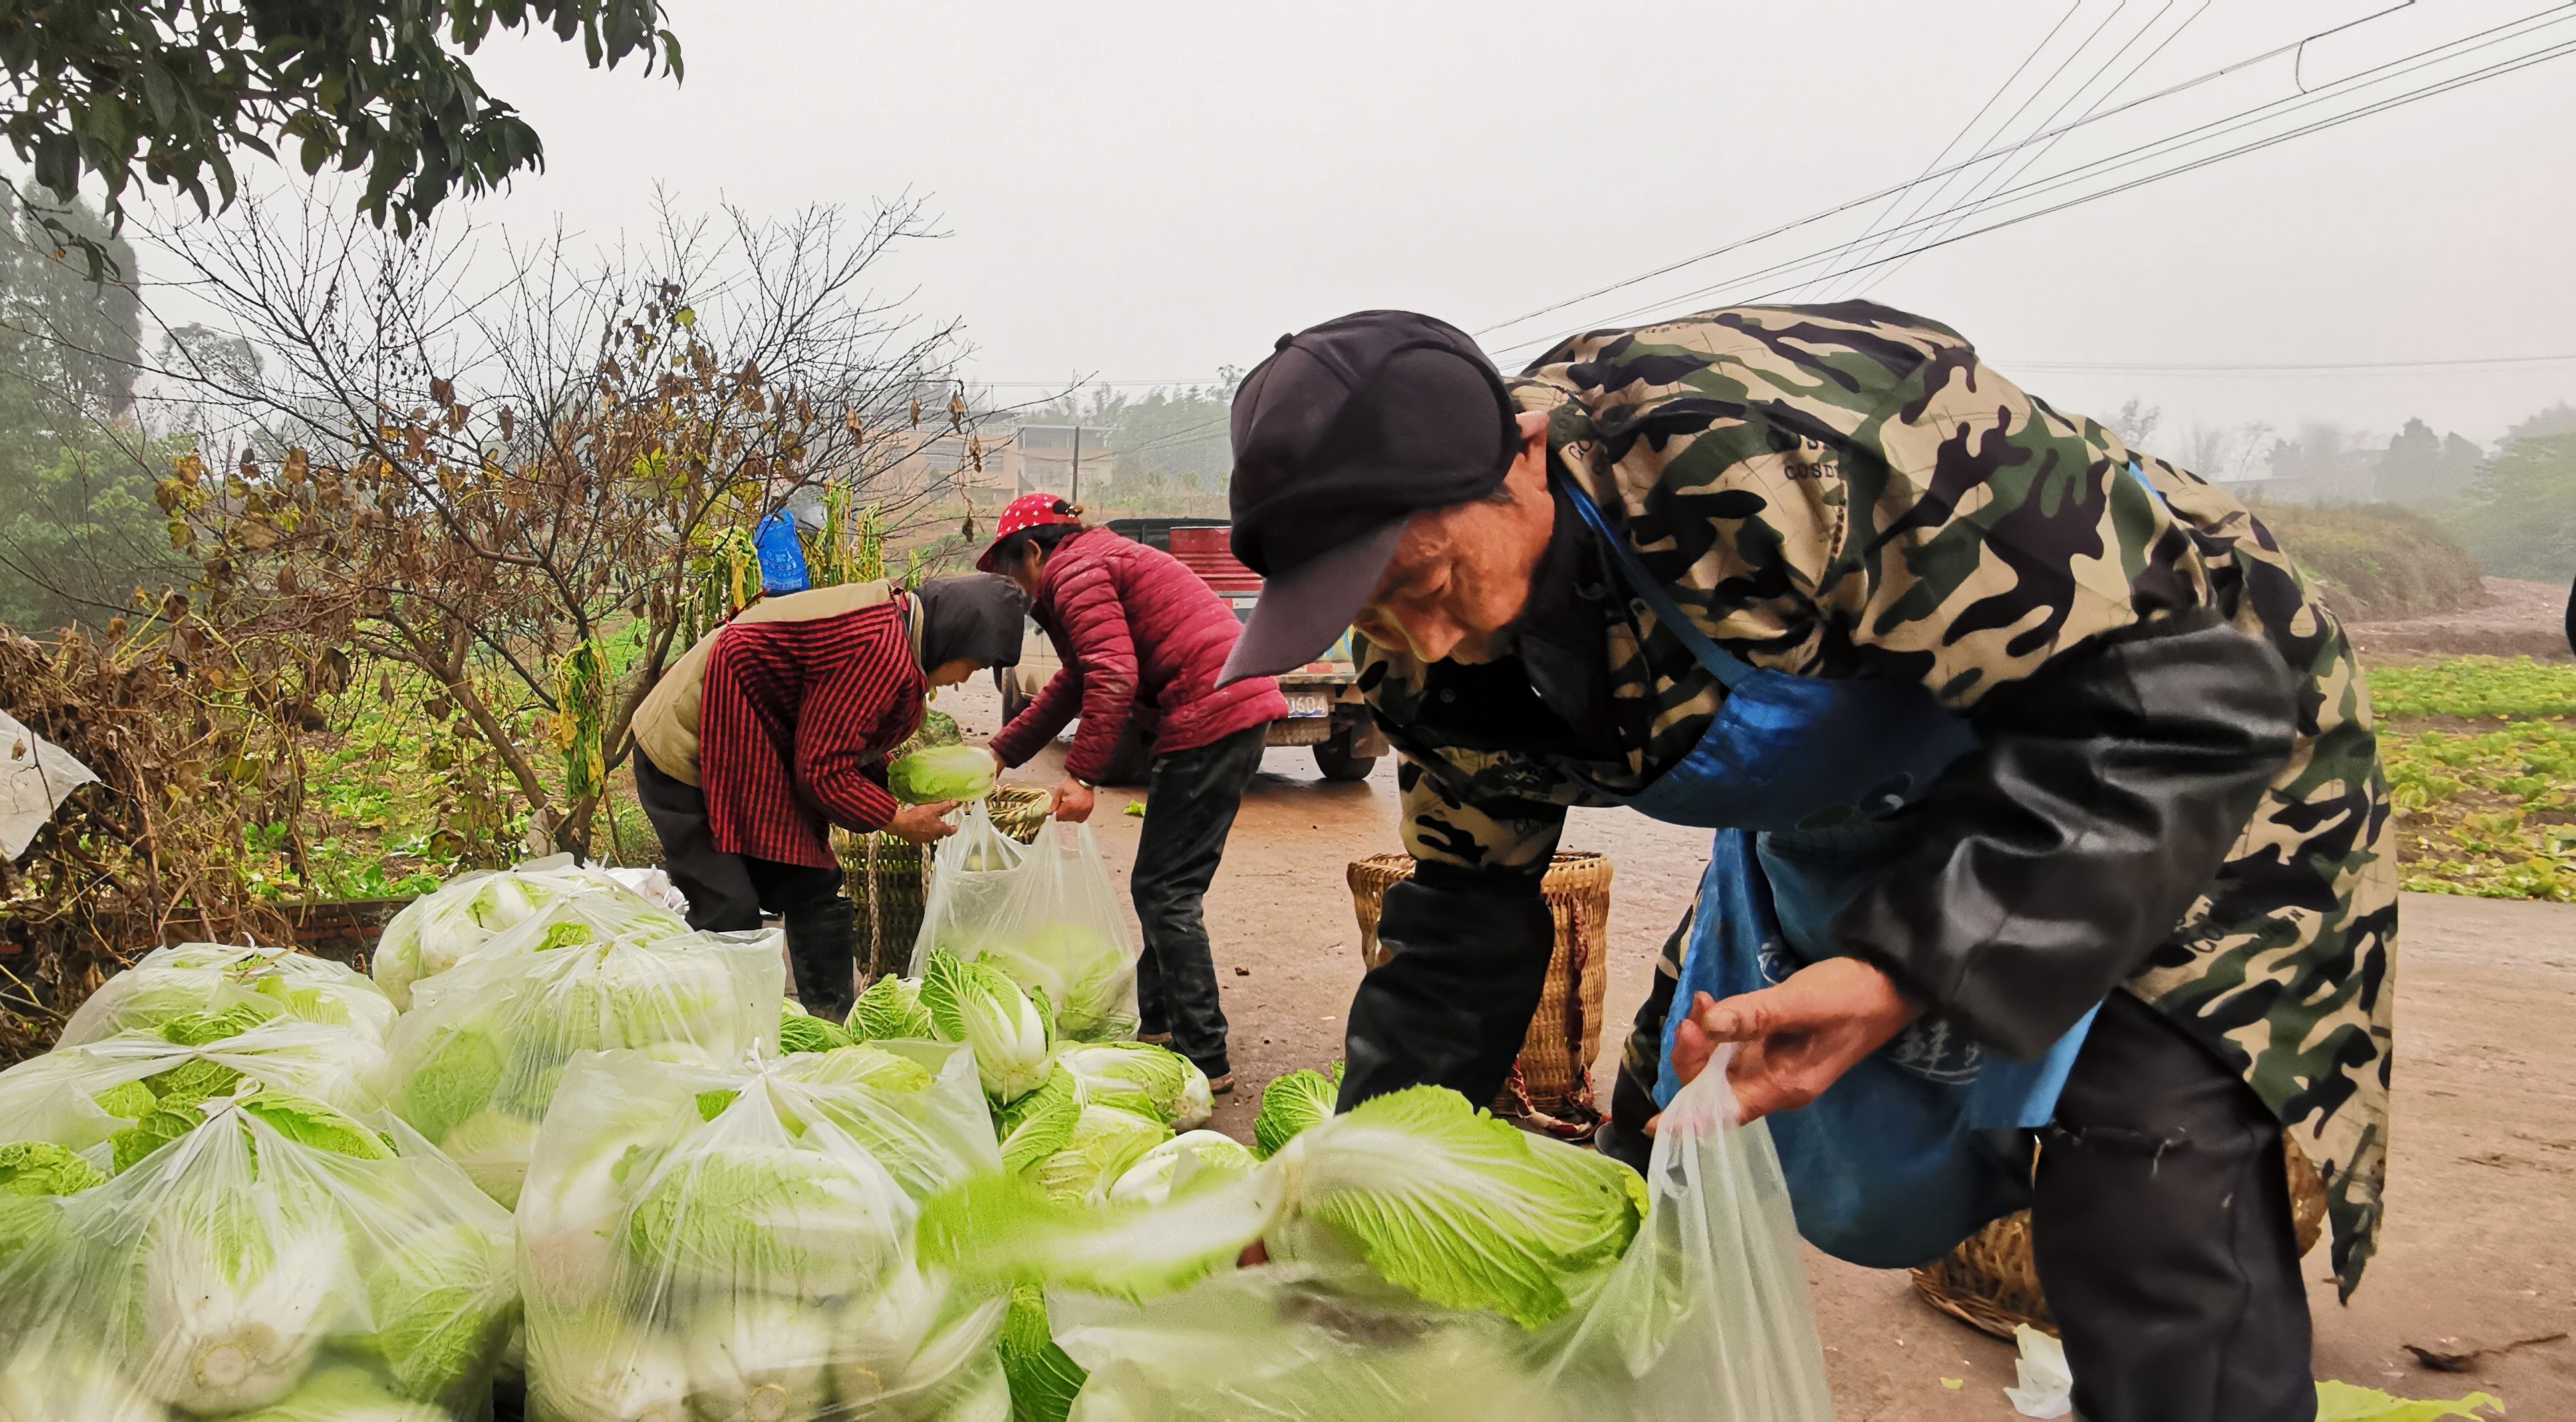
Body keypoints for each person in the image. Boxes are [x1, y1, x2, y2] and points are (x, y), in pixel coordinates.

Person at [1218, 307, 2394, 1422]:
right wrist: (1352, 1182)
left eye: (1426, 582)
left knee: (2149, 1171)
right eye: (1368, 613)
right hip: (1861, 797)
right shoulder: (1426, 669)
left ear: (1522, 451)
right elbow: (1463, 917)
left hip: (2170, 730)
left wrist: (1900, 969)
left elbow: (2180, 705)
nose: (1427, 640)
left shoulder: (1776, 456)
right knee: (1661, 1134)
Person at [980, 494, 1288, 1091]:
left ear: (1036, 551)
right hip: (1226, 709)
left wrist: (1083, 774)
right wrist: (1001, 752)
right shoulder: (1096, 559)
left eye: (1014, 570)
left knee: (1165, 890)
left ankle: (1205, 1056)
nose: (1017, 587)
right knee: (1164, 884)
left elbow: (1113, 673)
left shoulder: (1073, 572)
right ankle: (1159, 1025)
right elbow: (1076, 680)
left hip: (1210, 714)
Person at [631, 573, 1027, 1019]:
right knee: (727, 908)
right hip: (690, 748)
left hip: (753, 743)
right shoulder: (878, 649)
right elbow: (821, 773)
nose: (962, 680)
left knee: (809, 881)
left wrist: (887, 784)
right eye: (972, 666)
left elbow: (841, 736)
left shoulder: (895, 629)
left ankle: (832, 1020)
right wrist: (896, 818)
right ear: (954, 637)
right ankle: (725, 1036)